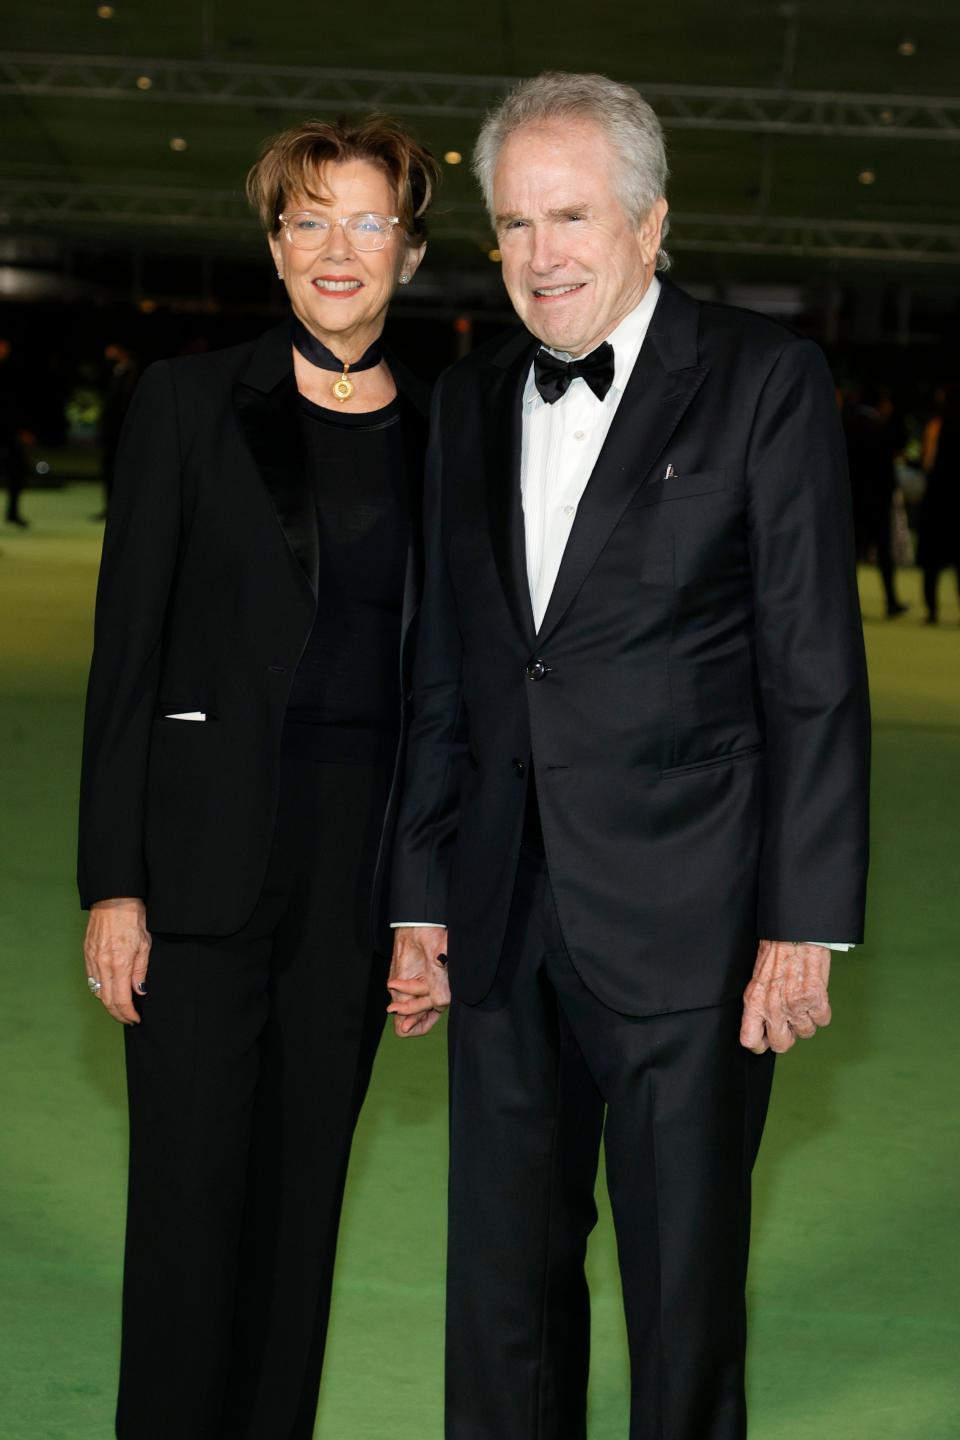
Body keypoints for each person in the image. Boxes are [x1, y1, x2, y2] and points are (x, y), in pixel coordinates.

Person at [387, 72, 870, 1440]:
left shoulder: (765, 382)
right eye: (517, 223)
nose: (544, 253)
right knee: (498, 1295)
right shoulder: (471, 400)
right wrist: (420, 899)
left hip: (692, 923)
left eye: (573, 216)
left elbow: (814, 673)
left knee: (682, 1295)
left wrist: (805, 924)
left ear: (651, 226)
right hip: (500, 913)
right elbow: (449, 673)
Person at [78, 115, 439, 1439]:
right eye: (307, 220)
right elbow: (127, 659)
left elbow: (446, 691)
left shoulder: (448, 435)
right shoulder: (188, 401)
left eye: (365, 221)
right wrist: (114, 885)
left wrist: (424, 903)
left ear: (408, 248)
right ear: (274, 246)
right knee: (187, 1197)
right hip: (199, 861)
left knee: (304, 1199)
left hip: (358, 868)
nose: (335, 249)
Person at [843, 381, 908, 617]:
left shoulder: (848, 424)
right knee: (883, 551)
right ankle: (890, 601)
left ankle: (845, 604)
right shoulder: (883, 426)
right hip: (878, 500)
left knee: (852, 552)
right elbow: (898, 449)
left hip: (853, 498)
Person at [918, 383, 960, 623]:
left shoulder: (936, 427)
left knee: (931, 561)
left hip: (937, 499)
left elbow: (928, 462)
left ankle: (932, 610)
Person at [95, 341, 140, 518]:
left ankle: (119, 508)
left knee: (119, 469)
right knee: (108, 468)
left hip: (121, 429)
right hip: (113, 429)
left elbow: (124, 404)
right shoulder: (117, 370)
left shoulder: (133, 372)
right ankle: (111, 507)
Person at [0, 336, 32, 528]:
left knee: (16, 472)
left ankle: (12, 512)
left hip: (11, 432)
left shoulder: (13, 373)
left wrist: (23, 429)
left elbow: (19, 404)